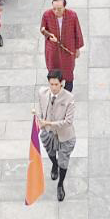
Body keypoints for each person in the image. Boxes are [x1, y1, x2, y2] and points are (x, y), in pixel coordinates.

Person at [35, 72, 76, 202]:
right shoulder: (42, 92)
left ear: (62, 83)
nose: (53, 87)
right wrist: (41, 120)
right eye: (51, 84)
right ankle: (54, 164)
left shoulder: (69, 98)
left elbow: (68, 122)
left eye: (56, 84)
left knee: (64, 161)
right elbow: (41, 108)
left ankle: (60, 184)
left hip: (65, 136)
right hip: (48, 132)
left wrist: (50, 123)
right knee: (50, 151)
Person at [39, 0, 84, 86]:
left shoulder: (72, 15)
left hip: (68, 47)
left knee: (68, 70)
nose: (56, 11)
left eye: (59, 9)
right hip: (53, 49)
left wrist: (77, 48)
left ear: (64, 7)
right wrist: (49, 36)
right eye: (54, 8)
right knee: (53, 68)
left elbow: (77, 31)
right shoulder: (47, 15)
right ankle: (55, 87)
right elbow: (42, 29)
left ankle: (68, 89)